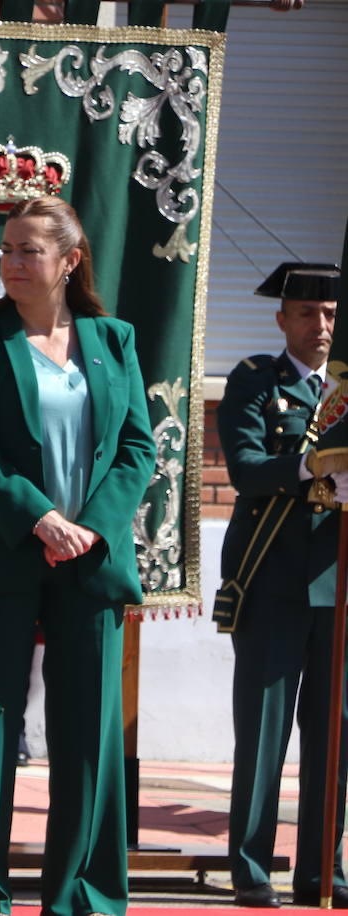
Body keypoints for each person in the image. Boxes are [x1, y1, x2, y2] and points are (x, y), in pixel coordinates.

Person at [0, 195, 157, 916]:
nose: (11, 264)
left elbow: (136, 448)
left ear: (70, 260)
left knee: (90, 739)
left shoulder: (112, 337)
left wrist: (90, 527)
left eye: (28, 251)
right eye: (6, 250)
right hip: (0, 551)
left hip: (89, 560)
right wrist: (40, 518)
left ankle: (83, 899)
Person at [219, 262, 347, 908]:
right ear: (282, 320)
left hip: (338, 585)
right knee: (264, 731)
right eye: (306, 313)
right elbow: (244, 470)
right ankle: (251, 865)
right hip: (270, 582)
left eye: (330, 314)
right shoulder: (254, 383)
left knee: (334, 735)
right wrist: (310, 466)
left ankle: (324, 867)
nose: (320, 326)